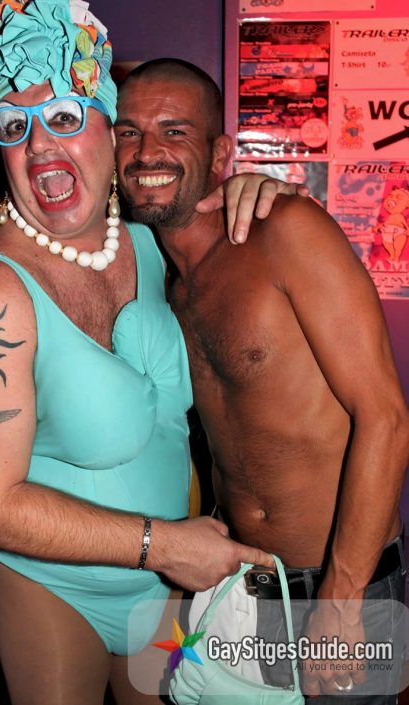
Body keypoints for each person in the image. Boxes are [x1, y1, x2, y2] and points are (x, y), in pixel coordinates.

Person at [0, 3, 304, 705]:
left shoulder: (146, 236)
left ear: (109, 131)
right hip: (54, 585)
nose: (39, 145)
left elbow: (226, 209)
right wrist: (166, 545)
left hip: (162, 583)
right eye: (13, 127)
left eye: (65, 117)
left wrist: (265, 190)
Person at [113, 58, 409, 703]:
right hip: (239, 582)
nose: (146, 151)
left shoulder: (285, 232)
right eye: (128, 132)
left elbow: (385, 417)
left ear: (221, 153)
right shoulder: (161, 282)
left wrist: (342, 597)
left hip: (339, 583)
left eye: (174, 131)